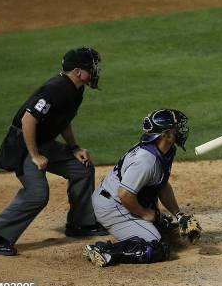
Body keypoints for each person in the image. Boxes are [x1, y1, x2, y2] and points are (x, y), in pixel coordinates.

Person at [0, 47, 108, 256]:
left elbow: (64, 120)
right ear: (77, 71)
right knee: (37, 194)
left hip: (44, 143)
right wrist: (35, 155)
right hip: (23, 145)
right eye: (90, 67)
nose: (94, 71)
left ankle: (80, 224)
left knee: (82, 169)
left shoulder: (76, 89)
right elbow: (28, 120)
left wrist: (74, 148)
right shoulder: (55, 89)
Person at [83, 108, 201, 267]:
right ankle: (105, 251)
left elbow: (162, 184)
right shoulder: (146, 161)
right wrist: (145, 213)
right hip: (113, 206)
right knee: (157, 247)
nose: (179, 131)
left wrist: (179, 215)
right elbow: (124, 194)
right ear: (164, 135)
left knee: (166, 231)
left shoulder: (166, 150)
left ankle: (139, 226)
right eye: (175, 128)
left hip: (120, 200)